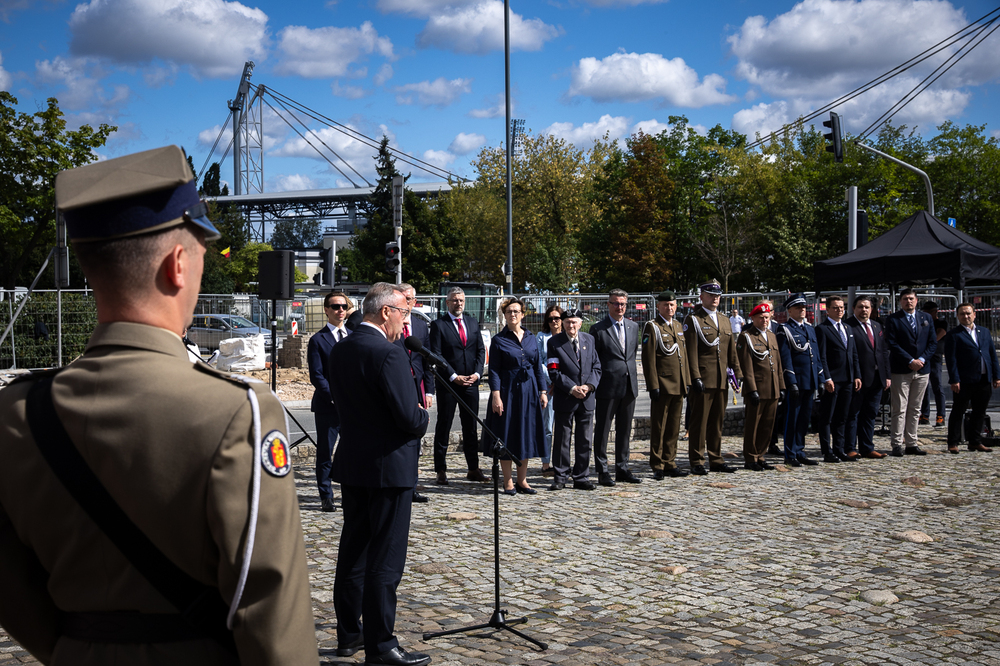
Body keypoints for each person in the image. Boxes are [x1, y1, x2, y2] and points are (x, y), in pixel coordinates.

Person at [0, 145, 318, 665]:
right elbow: (267, 603)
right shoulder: (239, 411)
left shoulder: (16, 413)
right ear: (176, 264)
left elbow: (9, 581)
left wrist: (75, 646)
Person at [328, 282, 431, 666]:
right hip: (389, 470)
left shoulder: (341, 349)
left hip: (355, 464)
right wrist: (423, 415)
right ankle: (382, 645)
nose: (406, 322)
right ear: (385, 311)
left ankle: (348, 636)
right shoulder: (387, 354)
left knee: (353, 553)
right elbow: (409, 417)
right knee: (385, 560)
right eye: (404, 312)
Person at [482, 297, 547, 495]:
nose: (513, 314)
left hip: (529, 391)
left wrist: (543, 391)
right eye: (509, 311)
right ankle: (508, 481)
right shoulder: (499, 340)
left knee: (525, 434)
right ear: (504, 315)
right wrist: (496, 395)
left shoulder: (530, 337)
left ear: (522, 314)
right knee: (507, 433)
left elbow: (537, 367)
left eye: (516, 311)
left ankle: (523, 480)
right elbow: (493, 370)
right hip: (507, 391)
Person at [429, 287, 488, 485]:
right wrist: (453, 376)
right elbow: (437, 354)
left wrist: (478, 374)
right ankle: (441, 470)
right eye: (454, 300)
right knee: (444, 425)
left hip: (470, 382)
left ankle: (473, 468)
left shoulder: (472, 323)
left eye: (461, 300)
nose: (459, 303)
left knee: (470, 426)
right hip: (448, 383)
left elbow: (480, 350)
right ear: (447, 303)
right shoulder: (439, 325)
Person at [684, 278, 742, 475]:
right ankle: (697, 460)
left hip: (721, 379)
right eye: (711, 295)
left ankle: (716, 458)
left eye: (717, 295)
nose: (715, 299)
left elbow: (730, 350)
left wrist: (737, 372)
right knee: (699, 421)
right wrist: (695, 377)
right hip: (703, 378)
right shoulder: (694, 320)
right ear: (702, 296)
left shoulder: (725, 320)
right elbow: (690, 351)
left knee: (717, 421)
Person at [546, 309, 602, 490]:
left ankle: (581, 477)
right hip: (566, 396)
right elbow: (553, 371)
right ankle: (561, 476)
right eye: (567, 322)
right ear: (562, 324)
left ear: (580, 323)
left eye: (574, 322)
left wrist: (588, 386)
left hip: (586, 397)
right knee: (562, 438)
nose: (571, 325)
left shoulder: (589, 340)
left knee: (584, 439)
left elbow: (597, 367)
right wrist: (572, 388)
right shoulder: (554, 342)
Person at [591, 288, 642, 485]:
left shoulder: (633, 326)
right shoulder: (599, 329)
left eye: (622, 304)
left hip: (629, 386)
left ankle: (622, 467)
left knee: (624, 429)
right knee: (603, 429)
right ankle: (602, 470)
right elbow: (594, 359)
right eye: (615, 303)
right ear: (608, 305)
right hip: (607, 387)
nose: (619, 307)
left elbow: (631, 354)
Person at [641, 290, 691, 479]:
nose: (669, 308)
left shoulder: (678, 326)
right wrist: (653, 385)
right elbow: (649, 358)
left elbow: (682, 356)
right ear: (659, 307)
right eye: (665, 305)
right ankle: (657, 464)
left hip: (678, 384)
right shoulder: (652, 327)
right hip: (662, 383)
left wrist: (686, 381)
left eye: (672, 305)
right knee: (659, 425)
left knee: (673, 426)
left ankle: (670, 461)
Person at [309, 290, 351, 512]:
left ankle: (351, 492)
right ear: (326, 310)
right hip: (329, 406)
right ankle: (326, 495)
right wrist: (335, 398)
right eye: (335, 307)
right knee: (326, 452)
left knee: (352, 451)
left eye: (343, 306)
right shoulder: (318, 339)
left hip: (352, 407)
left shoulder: (354, 335)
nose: (340, 310)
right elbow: (317, 375)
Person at [883, 288, 937, 456]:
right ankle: (897, 443)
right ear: (900, 301)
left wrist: (921, 360)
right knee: (899, 408)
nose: (909, 302)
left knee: (915, 408)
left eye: (911, 298)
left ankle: (912, 443)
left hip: (922, 369)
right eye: (905, 299)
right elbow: (892, 342)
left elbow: (932, 342)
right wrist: (909, 360)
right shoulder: (893, 319)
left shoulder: (925, 318)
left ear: (917, 300)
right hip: (901, 369)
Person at [395, 284, 434, 504]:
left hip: (418, 386)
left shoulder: (420, 326)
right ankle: (400, 484)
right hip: (399, 386)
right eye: (406, 299)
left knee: (416, 438)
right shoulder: (392, 324)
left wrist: (429, 390)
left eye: (413, 299)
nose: (410, 303)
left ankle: (412, 486)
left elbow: (426, 360)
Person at [777, 293, 825, 467]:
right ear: (790, 310)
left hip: (810, 380)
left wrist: (820, 377)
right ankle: (790, 453)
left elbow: (816, 356)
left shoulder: (810, 329)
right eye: (798, 308)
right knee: (793, 417)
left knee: (805, 418)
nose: (802, 310)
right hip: (797, 381)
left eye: (804, 307)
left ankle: (800, 450)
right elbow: (786, 357)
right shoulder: (785, 330)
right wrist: (791, 381)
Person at [945, 303, 1000, 454]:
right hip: (964, 380)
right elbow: (951, 360)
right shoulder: (954, 335)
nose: (966, 316)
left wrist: (996, 376)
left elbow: (992, 355)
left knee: (979, 411)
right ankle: (953, 442)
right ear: (958, 316)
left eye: (968, 313)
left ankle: (975, 441)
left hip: (983, 379)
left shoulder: (984, 332)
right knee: (958, 411)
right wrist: (954, 379)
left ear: (974, 314)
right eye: (962, 314)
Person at [736, 301, 784, 471]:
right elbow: (746, 366)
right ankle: (750, 457)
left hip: (772, 388)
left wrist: (781, 386)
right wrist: (751, 389)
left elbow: (777, 363)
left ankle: (761, 455)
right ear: (753, 318)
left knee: (768, 424)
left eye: (766, 317)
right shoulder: (747, 336)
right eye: (761, 318)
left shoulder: (771, 335)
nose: (764, 320)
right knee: (753, 425)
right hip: (757, 388)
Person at [815, 295, 862, 463]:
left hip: (848, 379)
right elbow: (822, 356)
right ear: (827, 310)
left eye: (842, 307)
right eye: (835, 308)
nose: (839, 310)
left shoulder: (848, 328)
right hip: (833, 380)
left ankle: (839, 449)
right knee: (827, 416)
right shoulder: (823, 329)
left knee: (842, 416)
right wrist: (826, 377)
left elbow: (853, 354)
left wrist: (856, 374)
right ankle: (827, 451)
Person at [844, 296, 891, 459]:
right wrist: (856, 374)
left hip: (877, 378)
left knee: (870, 413)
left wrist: (886, 375)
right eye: (860, 307)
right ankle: (850, 447)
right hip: (859, 378)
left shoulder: (877, 325)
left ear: (871, 309)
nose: (864, 310)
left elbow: (883, 351)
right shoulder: (848, 326)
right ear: (853, 309)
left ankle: (867, 447)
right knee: (854, 413)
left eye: (867, 307)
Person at [535, 304, 564, 477]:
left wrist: (561, 381)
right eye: (550, 318)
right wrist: (551, 380)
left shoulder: (567, 337)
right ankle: (546, 464)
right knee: (548, 427)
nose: (554, 321)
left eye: (557, 318)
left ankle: (561, 461)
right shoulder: (541, 337)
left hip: (565, 386)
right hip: (548, 387)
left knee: (563, 427)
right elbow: (538, 361)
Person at [919, 301, 948, 426]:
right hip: (924, 356)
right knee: (923, 386)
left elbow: (939, 335)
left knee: (937, 385)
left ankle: (940, 415)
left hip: (935, 356)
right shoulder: (922, 323)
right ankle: (924, 415)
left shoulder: (941, 323)